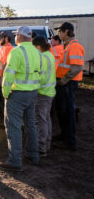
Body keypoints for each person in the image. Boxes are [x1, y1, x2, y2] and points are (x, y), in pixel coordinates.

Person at [0, 26, 41, 172]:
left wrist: (5, 92)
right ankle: (33, 155)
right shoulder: (37, 51)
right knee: (31, 125)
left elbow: (9, 75)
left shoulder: (16, 52)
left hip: (18, 94)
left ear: (20, 36)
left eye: (16, 35)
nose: (15, 37)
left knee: (13, 126)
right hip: (32, 93)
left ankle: (15, 161)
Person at [53, 22, 84, 151]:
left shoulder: (74, 46)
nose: (58, 34)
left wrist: (63, 81)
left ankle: (70, 142)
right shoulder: (67, 46)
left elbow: (76, 68)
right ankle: (64, 135)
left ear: (66, 31)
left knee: (68, 112)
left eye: (60, 31)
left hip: (67, 84)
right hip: (64, 83)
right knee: (62, 111)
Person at [33, 36, 56, 157]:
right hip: (50, 92)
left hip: (42, 92)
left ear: (38, 46)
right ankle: (47, 143)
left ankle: (41, 147)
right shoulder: (50, 55)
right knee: (46, 118)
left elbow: (40, 77)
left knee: (40, 119)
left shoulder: (42, 58)